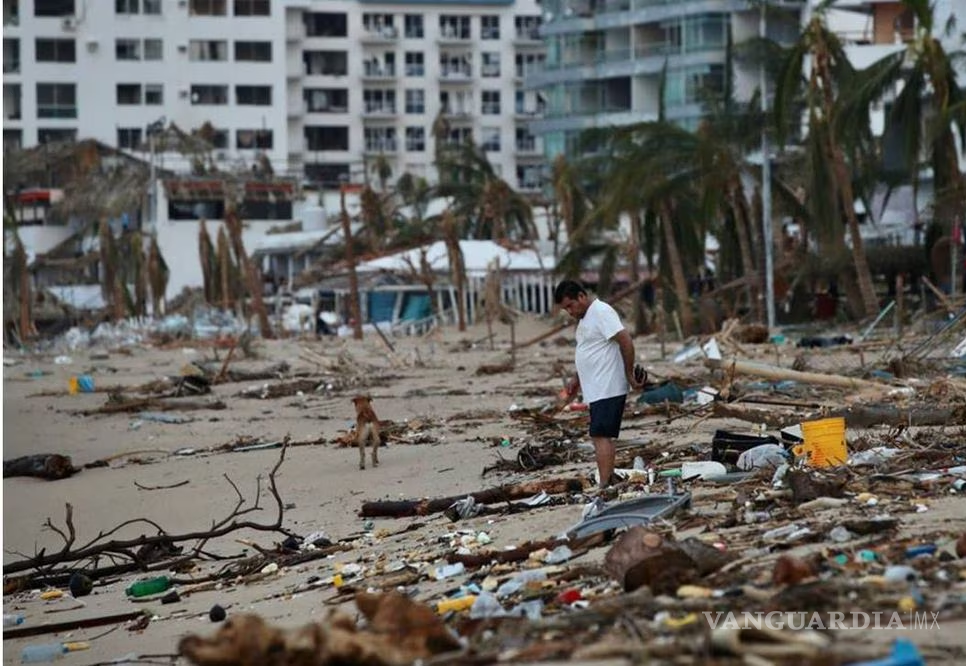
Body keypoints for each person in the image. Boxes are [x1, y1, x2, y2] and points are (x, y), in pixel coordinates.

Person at [554, 280, 643, 490]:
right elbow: (589, 351)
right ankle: (609, 480)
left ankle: (604, 485)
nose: (569, 312)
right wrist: (577, 381)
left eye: (570, 306)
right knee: (600, 435)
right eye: (565, 308)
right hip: (597, 388)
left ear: (582, 297)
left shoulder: (601, 311)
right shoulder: (586, 319)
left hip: (608, 385)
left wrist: (629, 374)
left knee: (601, 435)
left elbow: (625, 340)